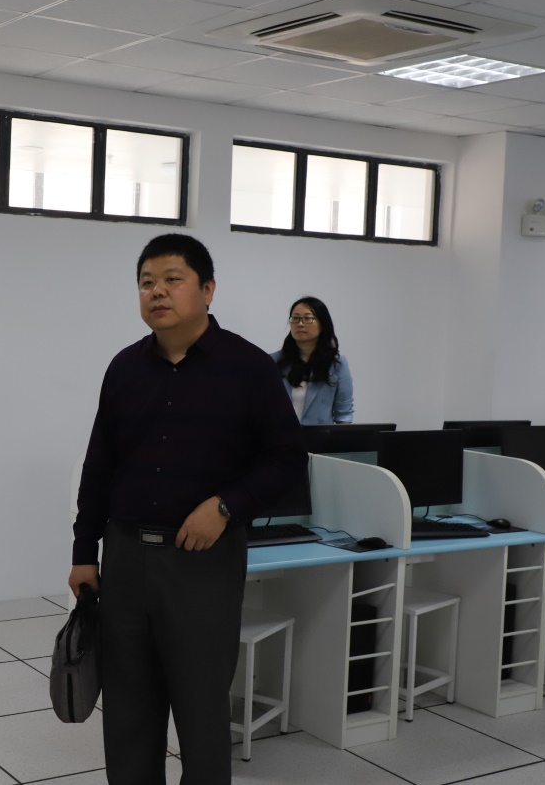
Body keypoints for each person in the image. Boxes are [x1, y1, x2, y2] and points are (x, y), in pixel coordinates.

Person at [69, 233, 305, 785]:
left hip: (203, 563)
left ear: (207, 290)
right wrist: (84, 551)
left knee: (201, 714)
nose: (157, 292)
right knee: (127, 713)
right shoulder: (124, 368)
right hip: (126, 558)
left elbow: (288, 459)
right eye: (146, 282)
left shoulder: (248, 367)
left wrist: (225, 507)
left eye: (172, 280)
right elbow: (99, 465)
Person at [272, 296, 353, 424]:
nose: (300, 324)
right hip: (280, 434)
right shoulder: (273, 362)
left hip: (319, 436)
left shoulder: (337, 364)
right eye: (295, 318)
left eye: (307, 318)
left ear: (322, 324)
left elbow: (344, 415)